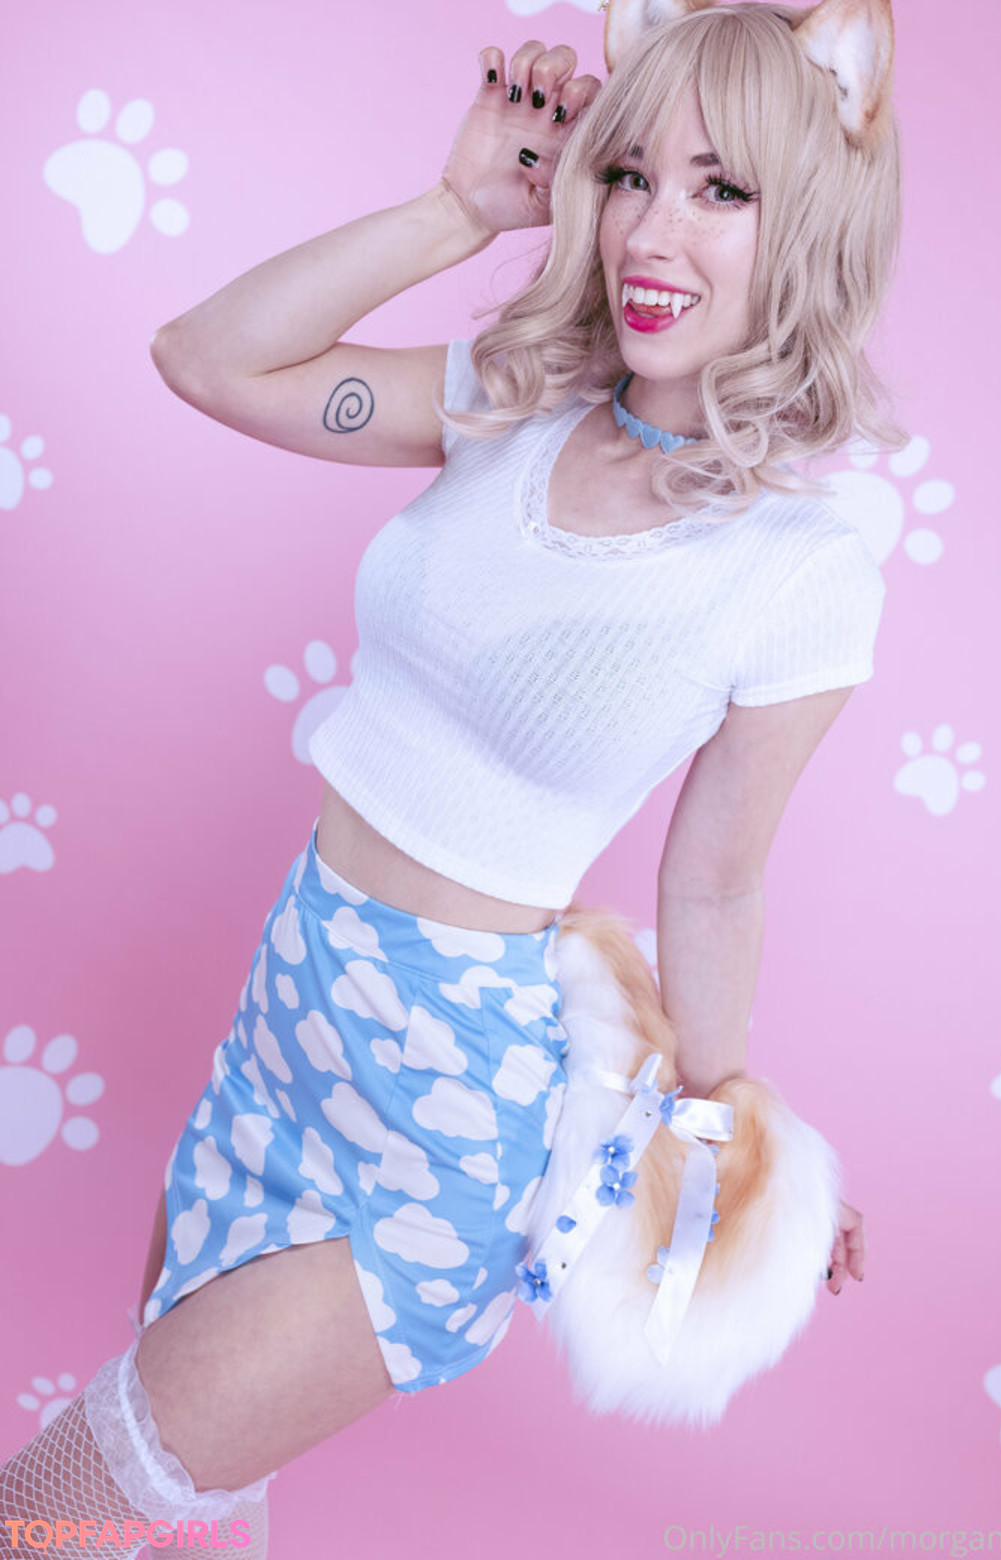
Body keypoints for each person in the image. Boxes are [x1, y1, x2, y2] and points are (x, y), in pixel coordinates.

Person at [0, 0, 901, 1553]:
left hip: (444, 1124)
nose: (652, 229)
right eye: (631, 172)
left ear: (810, 224)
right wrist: (457, 208)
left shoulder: (800, 565)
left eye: (723, 189)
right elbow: (203, 358)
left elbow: (714, 879)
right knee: (195, 1512)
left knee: (53, 1516)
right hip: (290, 1005)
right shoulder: (513, 396)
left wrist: (731, 1151)